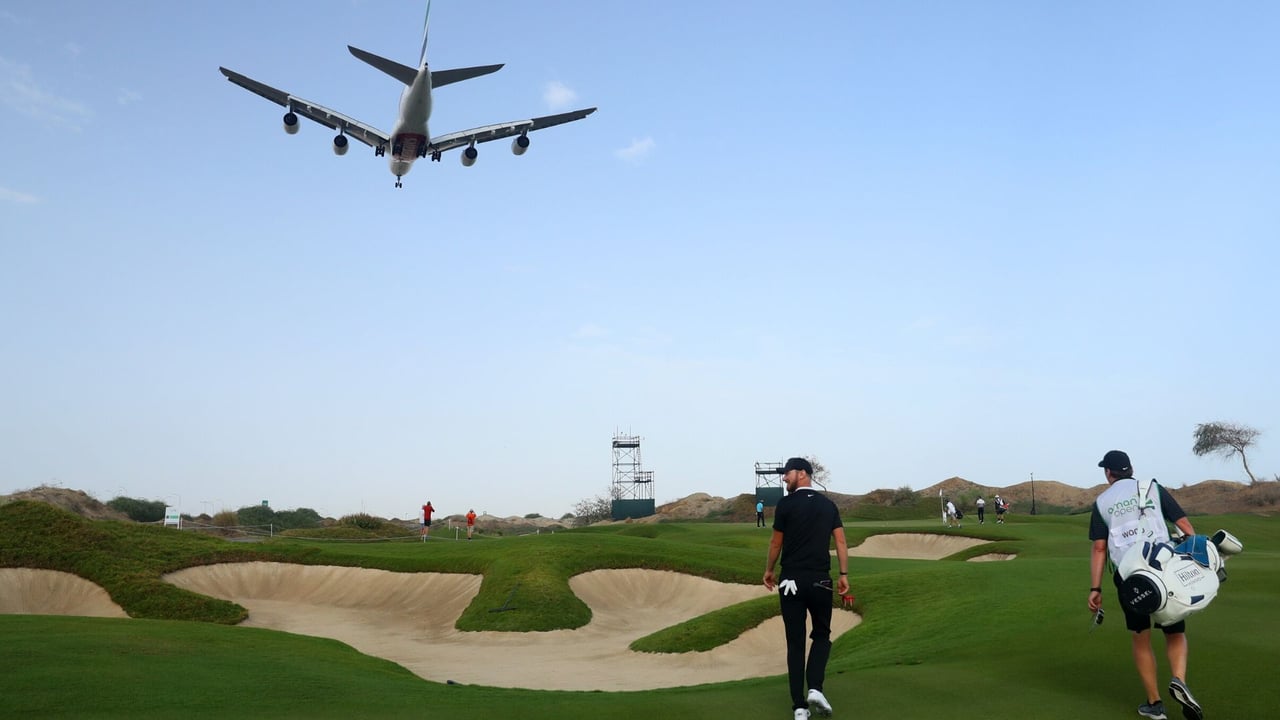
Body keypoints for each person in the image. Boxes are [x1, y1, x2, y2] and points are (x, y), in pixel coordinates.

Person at [1088, 450, 1201, 720]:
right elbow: (1184, 526)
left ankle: (1155, 704)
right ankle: (1179, 680)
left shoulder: (1102, 501)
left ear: (1108, 473)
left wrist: (1095, 588)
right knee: (1174, 631)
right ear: (1131, 468)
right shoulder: (1152, 488)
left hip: (1130, 578)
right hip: (1165, 571)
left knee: (1141, 637)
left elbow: (1100, 548)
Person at [763, 457, 849, 720]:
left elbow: (776, 544)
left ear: (802, 473)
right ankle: (815, 688)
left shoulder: (786, 505)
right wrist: (844, 574)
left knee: (795, 643)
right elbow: (841, 542)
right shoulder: (828, 505)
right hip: (821, 582)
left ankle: (799, 707)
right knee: (821, 636)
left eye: (787, 473)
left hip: (790, 583)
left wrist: (769, 570)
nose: (783, 478)